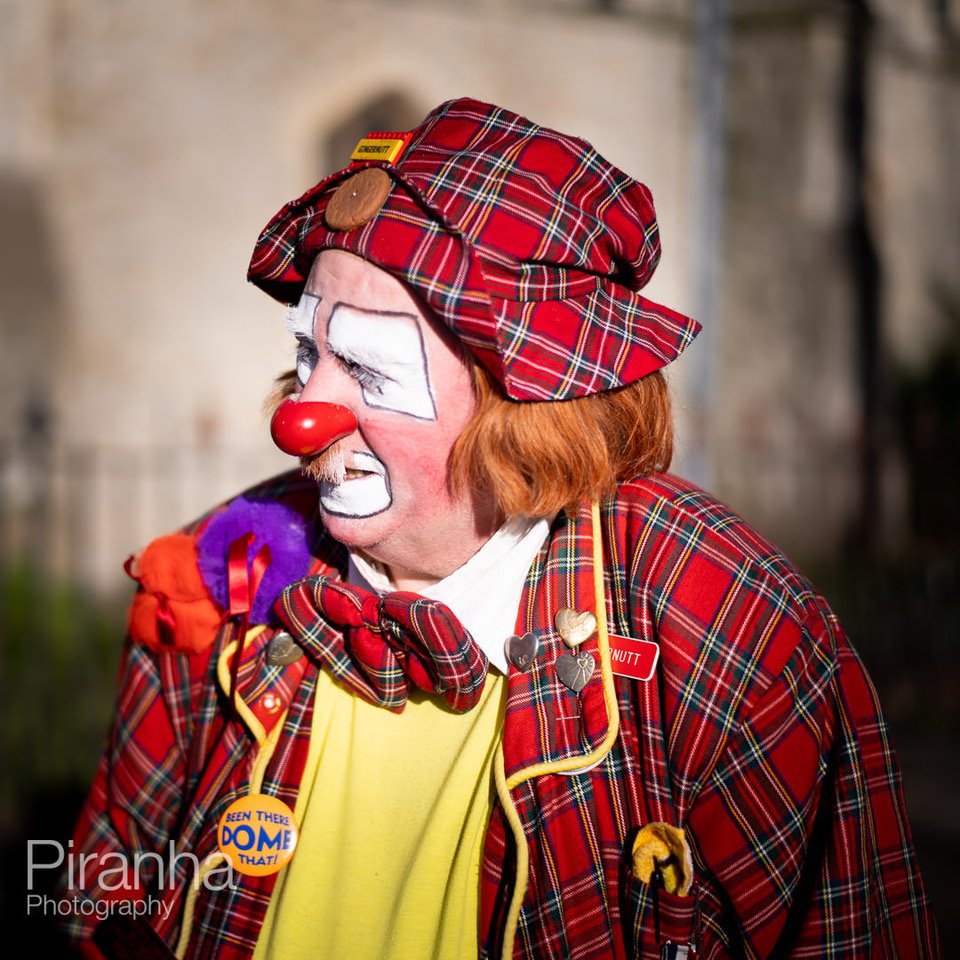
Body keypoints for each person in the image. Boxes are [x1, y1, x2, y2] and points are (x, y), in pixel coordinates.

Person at [59, 97, 940, 959]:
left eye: (369, 366)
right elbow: (105, 901)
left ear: (528, 406)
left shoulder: (719, 621)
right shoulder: (221, 573)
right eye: (307, 354)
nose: (300, 418)